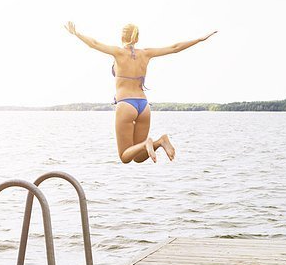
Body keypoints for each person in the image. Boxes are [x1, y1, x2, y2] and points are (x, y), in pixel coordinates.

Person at [64, 22, 217, 164]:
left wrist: (77, 33)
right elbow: (174, 48)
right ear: (137, 38)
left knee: (124, 156)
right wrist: (199, 39)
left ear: (121, 37)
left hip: (126, 105)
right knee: (138, 157)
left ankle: (147, 143)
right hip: (144, 106)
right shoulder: (146, 53)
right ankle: (159, 142)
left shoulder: (118, 53)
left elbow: (94, 44)